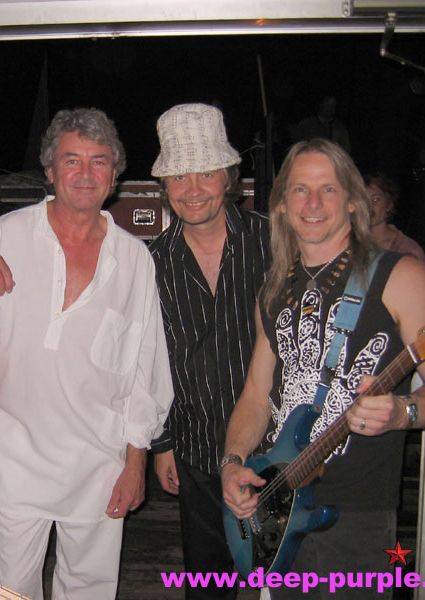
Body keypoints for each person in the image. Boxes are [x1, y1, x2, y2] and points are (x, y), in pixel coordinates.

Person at [221, 138, 425, 599]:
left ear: (353, 201)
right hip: (278, 507)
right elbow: (255, 395)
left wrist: (404, 411)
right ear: (281, 205)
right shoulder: (273, 289)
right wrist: (233, 463)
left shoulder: (399, 275)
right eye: (300, 189)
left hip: (357, 519)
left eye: (328, 189)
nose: (312, 203)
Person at [0, 108, 173, 599]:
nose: (85, 173)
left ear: (115, 176)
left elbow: (144, 368)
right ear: (50, 170)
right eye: (71, 160)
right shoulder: (0, 237)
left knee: (89, 590)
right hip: (15, 455)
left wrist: (135, 462)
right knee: (11, 591)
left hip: (100, 463)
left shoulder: (134, 259)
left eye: (99, 161)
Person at [148, 103, 270, 599]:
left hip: (278, 449)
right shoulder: (150, 263)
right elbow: (148, 361)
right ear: (165, 185)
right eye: (179, 175)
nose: (193, 188)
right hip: (196, 453)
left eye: (206, 173)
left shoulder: (274, 242)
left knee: (288, 582)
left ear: (229, 178)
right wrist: (161, 444)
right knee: (208, 587)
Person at [364, 171, 425, 263]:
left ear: (389, 204)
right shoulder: (349, 244)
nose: (369, 206)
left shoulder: (407, 249)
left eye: (375, 199)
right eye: (364, 200)